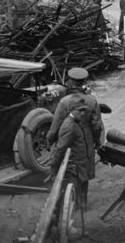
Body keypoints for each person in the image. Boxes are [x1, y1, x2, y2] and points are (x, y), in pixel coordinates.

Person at [47, 67, 102, 200]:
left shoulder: (64, 101)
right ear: (84, 81)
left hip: (68, 140)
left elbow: (56, 126)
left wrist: (51, 141)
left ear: (70, 82)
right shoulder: (91, 100)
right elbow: (97, 126)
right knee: (84, 169)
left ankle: (71, 201)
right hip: (86, 137)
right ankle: (83, 200)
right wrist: (96, 141)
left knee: (70, 169)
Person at [49, 96, 93, 210]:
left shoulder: (76, 122)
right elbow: (60, 148)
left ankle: (81, 206)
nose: (83, 113)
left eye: (84, 110)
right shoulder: (69, 126)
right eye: (80, 110)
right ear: (71, 110)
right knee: (73, 192)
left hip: (81, 164)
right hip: (75, 167)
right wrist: (54, 166)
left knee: (83, 185)